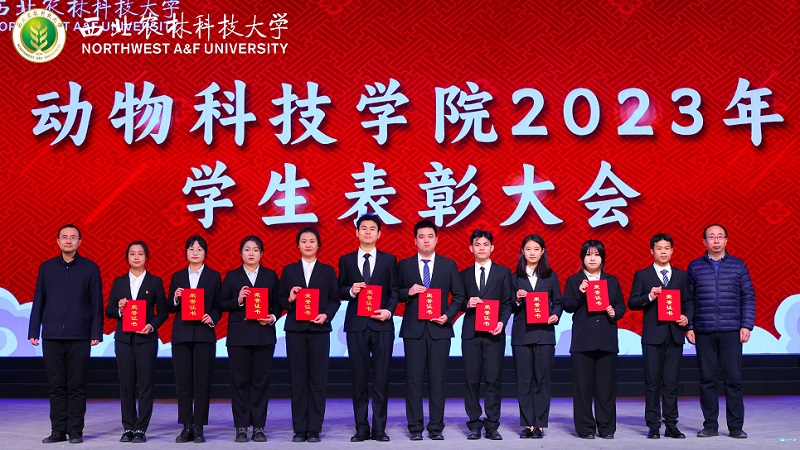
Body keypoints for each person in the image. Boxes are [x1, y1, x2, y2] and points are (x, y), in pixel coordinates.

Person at [28, 224, 103, 444]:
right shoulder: (47, 267)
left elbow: (96, 303)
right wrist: (34, 330)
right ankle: (58, 430)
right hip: (51, 335)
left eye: (73, 237)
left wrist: (95, 332)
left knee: (77, 385)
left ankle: (76, 430)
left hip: (80, 335)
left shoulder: (90, 268)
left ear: (80, 242)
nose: (68, 241)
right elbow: (39, 300)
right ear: (58, 241)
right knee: (56, 385)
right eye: (64, 237)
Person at [398, 219, 466, 440]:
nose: (426, 240)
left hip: (440, 330)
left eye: (430, 236)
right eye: (421, 237)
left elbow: (459, 295)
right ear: (415, 240)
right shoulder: (404, 265)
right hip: (414, 330)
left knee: (438, 381)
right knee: (413, 381)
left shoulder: (448, 265)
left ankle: (436, 427)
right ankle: (415, 427)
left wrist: (448, 315)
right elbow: (395, 292)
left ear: (437, 239)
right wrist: (408, 292)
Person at [686, 224, 755, 439]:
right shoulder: (695, 267)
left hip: (731, 331)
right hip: (704, 330)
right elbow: (689, 300)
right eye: (711, 237)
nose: (715, 241)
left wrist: (746, 325)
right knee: (707, 380)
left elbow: (748, 297)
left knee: (733, 380)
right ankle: (710, 426)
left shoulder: (738, 266)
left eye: (719, 237)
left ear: (726, 240)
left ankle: (736, 427)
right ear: (704, 242)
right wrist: (689, 326)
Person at [337, 214, 399, 442]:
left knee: (381, 378)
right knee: (359, 378)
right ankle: (361, 428)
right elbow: (339, 289)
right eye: (363, 228)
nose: (367, 232)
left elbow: (394, 291)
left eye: (372, 228)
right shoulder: (346, 260)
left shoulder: (389, 260)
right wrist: (350, 291)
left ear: (379, 234)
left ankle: (379, 428)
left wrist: (389, 311)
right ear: (356, 232)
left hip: (382, 325)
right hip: (356, 325)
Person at [279, 227, 341, 443]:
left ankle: (314, 428)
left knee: (317, 380)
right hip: (295, 330)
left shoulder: (328, 271)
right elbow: (280, 300)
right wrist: (290, 299)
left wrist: (326, 315)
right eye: (304, 241)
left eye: (312, 241)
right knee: (297, 380)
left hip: (319, 330)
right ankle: (299, 428)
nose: (308, 244)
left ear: (318, 245)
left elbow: (334, 300)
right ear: (298, 245)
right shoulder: (289, 271)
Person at [628, 233, 692, 439]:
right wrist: (650, 296)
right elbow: (632, 302)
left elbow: (689, 302)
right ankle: (653, 424)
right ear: (652, 251)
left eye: (666, 248)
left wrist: (686, 318)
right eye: (659, 248)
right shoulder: (643, 275)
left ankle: (671, 424)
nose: (663, 252)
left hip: (674, 335)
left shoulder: (682, 276)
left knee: (671, 382)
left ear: (672, 251)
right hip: (652, 336)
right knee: (652, 382)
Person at [218, 236, 280, 442]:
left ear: (262, 253)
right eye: (247, 249)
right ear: (241, 253)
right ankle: (241, 427)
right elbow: (221, 303)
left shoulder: (270, 275)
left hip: (264, 334)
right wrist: (238, 300)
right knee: (240, 381)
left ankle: (259, 427)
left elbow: (278, 303)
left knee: (261, 381)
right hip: (239, 336)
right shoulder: (232, 276)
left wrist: (272, 317)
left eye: (255, 250)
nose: (251, 253)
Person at [562, 240, 626, 439]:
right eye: (588, 254)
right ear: (582, 257)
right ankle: (585, 428)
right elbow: (568, 306)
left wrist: (614, 312)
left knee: (606, 387)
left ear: (602, 258)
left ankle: (606, 428)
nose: (592, 258)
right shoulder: (574, 280)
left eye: (596, 255)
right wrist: (581, 292)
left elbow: (621, 306)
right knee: (582, 387)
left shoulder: (611, 281)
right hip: (583, 341)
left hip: (606, 339)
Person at [105, 241, 168, 443]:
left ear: (146, 257)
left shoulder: (154, 282)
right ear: (127, 258)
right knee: (126, 384)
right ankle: (128, 427)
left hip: (146, 339)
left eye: (140, 253)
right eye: (132, 253)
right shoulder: (119, 282)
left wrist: (151, 325)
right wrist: (120, 309)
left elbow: (163, 311)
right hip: (124, 340)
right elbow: (109, 311)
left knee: (145, 383)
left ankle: (141, 428)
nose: (136, 257)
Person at [166, 235, 222, 443]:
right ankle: (186, 425)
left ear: (205, 253)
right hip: (181, 335)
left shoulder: (214, 276)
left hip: (204, 335)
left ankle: (199, 425)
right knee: (183, 382)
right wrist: (175, 298)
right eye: (191, 249)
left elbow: (218, 306)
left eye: (199, 249)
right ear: (186, 252)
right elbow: (170, 308)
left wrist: (212, 317)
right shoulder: (178, 276)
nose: (195, 252)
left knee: (202, 382)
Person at [458, 229, 512, 440]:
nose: (481, 248)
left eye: (485, 244)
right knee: (471, 380)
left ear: (492, 247)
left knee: (493, 380)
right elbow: (457, 301)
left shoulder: (503, 272)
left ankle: (491, 425)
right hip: (471, 334)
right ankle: (474, 424)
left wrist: (501, 323)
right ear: (470, 248)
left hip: (493, 333)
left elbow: (507, 303)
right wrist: (467, 303)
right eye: (477, 244)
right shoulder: (463, 274)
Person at [510, 234, 562, 439]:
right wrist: (517, 299)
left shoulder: (550, 276)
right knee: (524, 380)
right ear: (522, 251)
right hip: (521, 335)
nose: (532, 253)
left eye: (536, 249)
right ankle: (528, 424)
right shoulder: (514, 277)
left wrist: (555, 315)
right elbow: (508, 305)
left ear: (542, 252)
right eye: (528, 249)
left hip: (544, 334)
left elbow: (558, 302)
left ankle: (539, 424)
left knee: (542, 380)